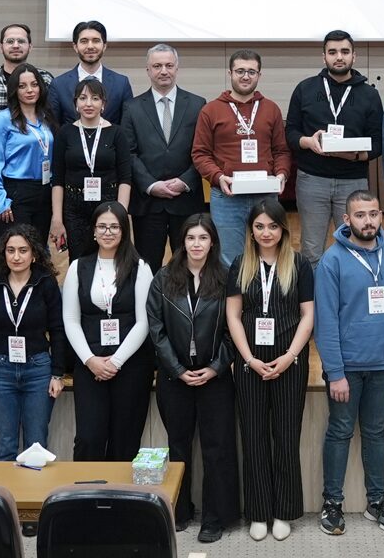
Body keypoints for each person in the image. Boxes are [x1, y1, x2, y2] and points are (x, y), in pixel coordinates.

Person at [315, 190, 384, 536]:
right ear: (346, 219)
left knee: (376, 432)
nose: (368, 221)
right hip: (347, 368)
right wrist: (335, 372)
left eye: (373, 214)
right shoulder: (332, 261)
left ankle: (376, 501)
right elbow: (325, 321)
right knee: (340, 431)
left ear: (381, 216)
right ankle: (332, 503)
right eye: (360, 215)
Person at [226, 198, 316, 542]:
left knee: (286, 437)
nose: (266, 232)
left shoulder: (299, 264)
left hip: (289, 362)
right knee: (254, 437)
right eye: (260, 226)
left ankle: (284, 511)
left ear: (283, 229)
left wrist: (291, 355)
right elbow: (233, 315)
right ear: (251, 230)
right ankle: (259, 511)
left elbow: (308, 315)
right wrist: (248, 358)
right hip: (250, 363)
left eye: (273, 226)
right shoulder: (240, 264)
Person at [147, 216, 239, 542]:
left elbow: (234, 330)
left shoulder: (226, 278)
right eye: (191, 238)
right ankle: (180, 509)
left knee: (218, 448)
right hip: (175, 378)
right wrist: (177, 369)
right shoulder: (163, 278)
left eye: (203, 238)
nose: (196, 244)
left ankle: (215, 517)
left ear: (213, 242)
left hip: (215, 377)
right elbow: (156, 329)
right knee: (178, 446)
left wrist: (216, 367)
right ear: (182, 242)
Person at [63, 202, 156, 460]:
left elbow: (144, 321)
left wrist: (116, 362)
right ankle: (86, 487)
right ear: (93, 231)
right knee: (88, 438)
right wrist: (90, 360)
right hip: (90, 365)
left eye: (114, 227)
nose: (108, 232)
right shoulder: (78, 267)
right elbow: (70, 319)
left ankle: (121, 489)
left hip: (131, 365)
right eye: (102, 226)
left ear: (124, 231)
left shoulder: (140, 267)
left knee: (125, 440)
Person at [285, 30, 384, 264]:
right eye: (333, 52)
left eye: (345, 51)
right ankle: (315, 290)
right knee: (311, 249)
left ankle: (351, 288)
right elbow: (291, 133)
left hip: (353, 181)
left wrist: (356, 156)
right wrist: (308, 142)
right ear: (324, 57)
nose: (339, 57)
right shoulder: (305, 88)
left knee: (355, 246)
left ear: (354, 56)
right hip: (312, 180)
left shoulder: (369, 94)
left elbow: (378, 142)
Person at [192, 51, 291, 266]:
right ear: (230, 73)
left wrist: (282, 174)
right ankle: (234, 291)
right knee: (229, 259)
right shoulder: (211, 110)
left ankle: (265, 289)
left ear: (259, 75)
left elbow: (281, 151)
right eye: (240, 71)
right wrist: (218, 177)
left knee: (268, 254)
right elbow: (200, 153)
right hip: (227, 197)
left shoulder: (271, 109)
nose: (246, 76)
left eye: (251, 72)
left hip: (265, 195)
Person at [0, 223, 64, 460]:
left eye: (23, 250)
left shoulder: (46, 283)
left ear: (34, 254)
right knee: (5, 446)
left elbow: (58, 330)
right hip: (1, 370)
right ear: (3, 253)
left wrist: (57, 374)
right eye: (11, 250)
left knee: (36, 446)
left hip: (38, 370)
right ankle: (6, 488)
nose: (16, 257)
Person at [119, 44, 206, 269]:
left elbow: (203, 150)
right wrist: (151, 185)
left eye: (169, 65)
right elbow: (129, 153)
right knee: (147, 267)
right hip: (148, 203)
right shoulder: (131, 107)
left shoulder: (198, 104)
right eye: (157, 66)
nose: (163, 71)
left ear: (177, 68)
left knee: (189, 265)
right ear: (148, 70)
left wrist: (185, 181)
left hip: (186, 201)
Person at [52, 79, 133, 260]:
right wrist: (57, 219)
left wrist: (120, 214)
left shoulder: (117, 133)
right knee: (78, 260)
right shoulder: (65, 133)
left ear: (103, 104)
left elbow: (125, 178)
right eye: (83, 98)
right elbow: (57, 180)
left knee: (109, 257)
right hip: (74, 207)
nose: (88, 103)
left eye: (95, 98)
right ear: (75, 103)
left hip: (108, 205)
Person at [0, 63, 56, 245]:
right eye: (22, 86)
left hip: (44, 191)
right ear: (14, 90)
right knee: (16, 248)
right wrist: (1, 201)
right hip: (16, 192)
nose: (30, 90)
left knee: (38, 249)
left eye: (34, 84)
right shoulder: (2, 119)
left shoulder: (46, 117)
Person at [49, 19, 134, 125]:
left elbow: (127, 125)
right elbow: (53, 126)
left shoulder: (121, 83)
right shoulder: (58, 85)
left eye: (96, 41)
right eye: (84, 41)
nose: (90, 46)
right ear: (75, 47)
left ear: (104, 46)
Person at [0, 23, 55, 111]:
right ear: (1, 47)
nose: (16, 46)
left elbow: (52, 113)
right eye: (10, 41)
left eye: (21, 41)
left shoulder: (45, 79)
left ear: (30, 47)